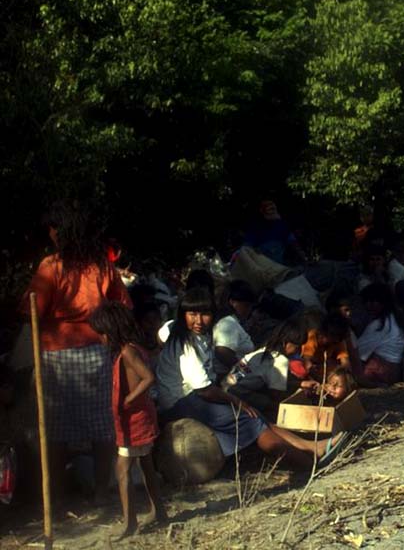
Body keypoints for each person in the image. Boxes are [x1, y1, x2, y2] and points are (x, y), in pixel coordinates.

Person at [154, 288, 346, 467]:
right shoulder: (186, 343)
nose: (199, 320)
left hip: (195, 397)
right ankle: (308, 463)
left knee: (256, 415)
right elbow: (204, 390)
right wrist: (236, 401)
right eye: (192, 314)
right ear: (183, 315)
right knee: (250, 421)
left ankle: (312, 447)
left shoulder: (198, 336)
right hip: (183, 402)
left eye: (205, 314)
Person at [20, 200, 131, 505]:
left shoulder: (51, 266)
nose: (51, 234)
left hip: (56, 356)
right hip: (97, 352)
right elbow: (123, 306)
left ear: (63, 231)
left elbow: (30, 310)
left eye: (54, 229)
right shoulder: (101, 266)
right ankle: (99, 491)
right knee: (101, 427)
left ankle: (55, 495)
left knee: (55, 429)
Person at [88, 302, 165, 539]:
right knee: (146, 464)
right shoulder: (132, 349)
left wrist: (128, 400)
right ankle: (159, 511)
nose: (101, 339)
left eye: (102, 334)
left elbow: (148, 378)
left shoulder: (128, 352)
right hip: (138, 416)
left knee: (122, 468)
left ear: (111, 331)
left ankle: (130, 523)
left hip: (135, 419)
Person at [223, 318, 305, 421]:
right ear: (285, 343)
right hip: (239, 395)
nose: (299, 352)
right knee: (278, 407)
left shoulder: (264, 351)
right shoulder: (280, 360)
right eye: (297, 347)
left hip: (226, 388)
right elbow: (277, 394)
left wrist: (300, 384)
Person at [355, 283, 404, 385]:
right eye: (366, 302)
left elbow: (358, 353)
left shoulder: (379, 326)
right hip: (395, 371)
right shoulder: (395, 319)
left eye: (372, 302)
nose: (368, 306)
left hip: (382, 373)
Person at [211, 279, 257, 377]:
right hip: (225, 376)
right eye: (246, 305)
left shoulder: (232, 322)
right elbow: (223, 351)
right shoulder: (228, 323)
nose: (248, 310)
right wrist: (245, 371)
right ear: (232, 302)